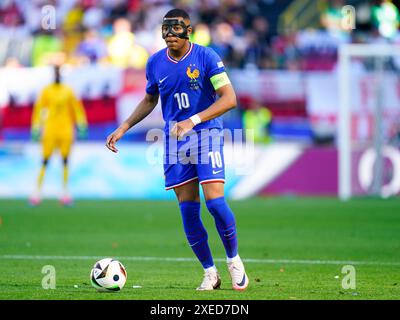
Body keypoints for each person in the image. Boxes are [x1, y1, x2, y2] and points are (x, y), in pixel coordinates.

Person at [106, 8, 249, 291]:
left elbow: (229, 98)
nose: (170, 34)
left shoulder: (206, 57)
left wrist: (192, 120)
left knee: (215, 203)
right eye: (166, 29)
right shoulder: (155, 63)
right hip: (174, 142)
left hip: (206, 134)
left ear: (189, 30)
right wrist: (123, 127)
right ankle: (210, 272)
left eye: (176, 28)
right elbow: (149, 100)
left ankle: (233, 260)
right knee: (188, 211)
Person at [30, 64, 88, 206]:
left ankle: (65, 194)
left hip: (66, 130)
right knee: (45, 160)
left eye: (58, 73)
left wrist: (82, 124)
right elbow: (38, 109)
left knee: (65, 161)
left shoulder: (68, 91)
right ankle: (36, 194)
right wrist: (36, 127)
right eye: (55, 72)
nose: (57, 75)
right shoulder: (46, 91)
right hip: (50, 130)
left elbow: (77, 108)